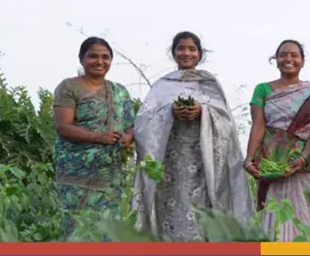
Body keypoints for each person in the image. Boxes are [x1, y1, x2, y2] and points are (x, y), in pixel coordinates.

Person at [132, 31, 253, 241]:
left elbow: (226, 123)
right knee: (170, 211)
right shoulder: (162, 85)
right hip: (169, 163)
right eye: (181, 48)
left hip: (204, 163)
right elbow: (144, 121)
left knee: (202, 212)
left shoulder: (209, 84)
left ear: (199, 54)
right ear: (173, 53)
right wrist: (169, 112)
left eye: (191, 49)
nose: (186, 53)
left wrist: (203, 111)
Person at [52, 37, 136, 239]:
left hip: (110, 174)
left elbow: (131, 126)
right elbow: (63, 127)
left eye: (105, 57)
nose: (100, 62)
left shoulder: (120, 92)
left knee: (108, 231)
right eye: (93, 56)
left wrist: (126, 138)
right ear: (82, 59)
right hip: (76, 174)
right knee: (77, 230)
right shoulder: (68, 87)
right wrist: (99, 137)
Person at [243, 39, 310, 241]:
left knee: (301, 219)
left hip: (302, 165)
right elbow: (258, 126)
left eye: (294, 55)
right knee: (273, 218)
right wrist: (249, 159)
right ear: (276, 60)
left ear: (302, 61)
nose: (288, 59)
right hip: (272, 164)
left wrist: (303, 158)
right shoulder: (262, 89)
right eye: (283, 55)